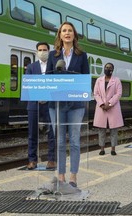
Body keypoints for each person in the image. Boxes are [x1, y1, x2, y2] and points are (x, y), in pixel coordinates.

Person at [46, 21, 89, 187]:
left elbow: (85, 79)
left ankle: (73, 176)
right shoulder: (53, 55)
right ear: (60, 35)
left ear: (74, 35)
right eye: (64, 30)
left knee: (75, 141)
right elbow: (49, 77)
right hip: (56, 104)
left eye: (70, 30)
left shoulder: (82, 55)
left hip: (76, 104)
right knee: (60, 142)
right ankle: (61, 175)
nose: (67, 33)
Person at [26, 42, 56, 170]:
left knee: (52, 133)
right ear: (36, 52)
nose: (42, 52)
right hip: (34, 103)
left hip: (50, 104)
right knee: (32, 133)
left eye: (45, 49)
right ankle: (32, 160)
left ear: (49, 52)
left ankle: (51, 160)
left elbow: (56, 84)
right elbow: (28, 85)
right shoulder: (31, 67)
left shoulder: (54, 67)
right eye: (40, 50)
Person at [93, 63, 124, 156]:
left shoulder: (117, 80)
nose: (107, 69)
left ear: (112, 70)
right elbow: (96, 93)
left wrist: (110, 104)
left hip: (113, 108)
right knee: (101, 129)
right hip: (101, 108)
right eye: (106, 67)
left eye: (109, 68)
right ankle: (102, 149)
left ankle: (113, 149)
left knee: (113, 130)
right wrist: (102, 104)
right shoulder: (99, 80)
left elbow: (118, 94)